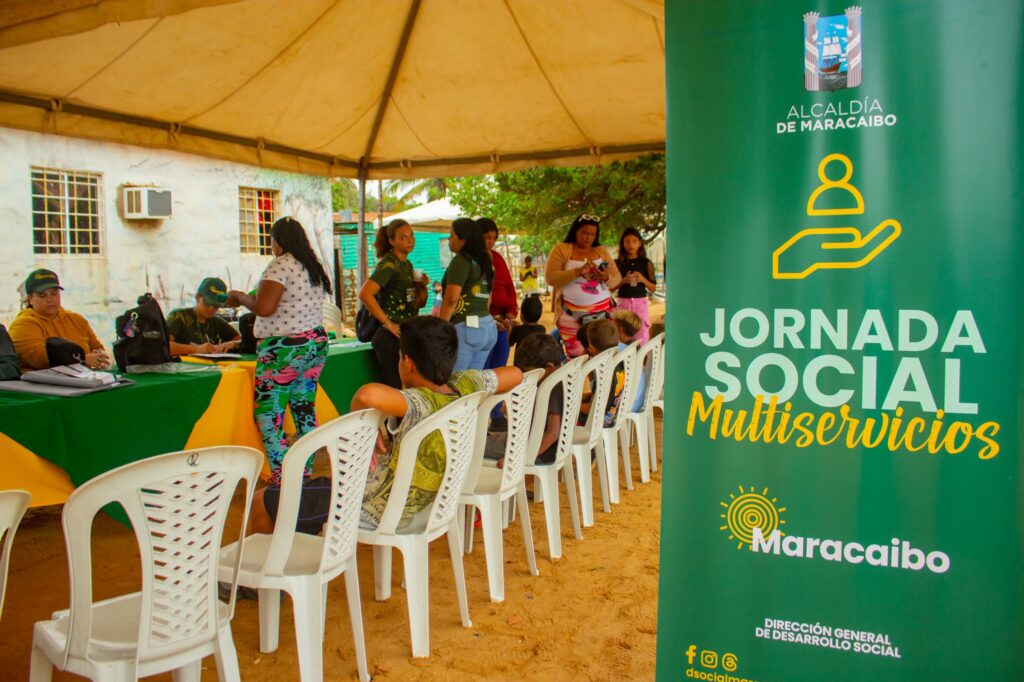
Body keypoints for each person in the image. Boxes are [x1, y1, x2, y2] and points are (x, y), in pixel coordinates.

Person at [225, 217, 332, 486]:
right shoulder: (312, 266)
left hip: (285, 349)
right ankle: (305, 472)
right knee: (303, 406)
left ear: (277, 241)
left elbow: (264, 307)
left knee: (268, 413)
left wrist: (240, 297)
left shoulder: (280, 265)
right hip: (314, 343)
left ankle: (285, 478)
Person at [544, 214, 621, 358]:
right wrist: (578, 271)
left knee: (604, 354)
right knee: (576, 357)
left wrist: (606, 277)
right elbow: (550, 278)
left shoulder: (600, 251)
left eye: (593, 234)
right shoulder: (561, 249)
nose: (589, 238)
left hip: (604, 314)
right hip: (571, 316)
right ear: (575, 231)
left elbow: (617, 279)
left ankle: (598, 374)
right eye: (585, 233)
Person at [484, 333, 566, 464]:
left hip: (532, 450)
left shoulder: (553, 386)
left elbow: (553, 432)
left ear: (549, 367)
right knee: (482, 439)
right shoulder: (563, 375)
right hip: (526, 440)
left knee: (472, 448)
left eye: (531, 372)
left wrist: (521, 458)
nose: (527, 375)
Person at [358, 219, 421, 389]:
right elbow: (365, 294)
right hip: (389, 336)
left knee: (408, 386)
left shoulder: (407, 264)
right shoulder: (389, 264)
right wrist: (387, 322)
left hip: (405, 332)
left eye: (411, 235)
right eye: (402, 237)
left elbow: (413, 301)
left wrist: (421, 286)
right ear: (391, 241)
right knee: (395, 387)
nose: (410, 240)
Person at [9, 269, 109, 370]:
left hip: (85, 377)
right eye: (42, 295)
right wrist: (82, 359)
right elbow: (40, 359)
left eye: (54, 294)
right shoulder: (22, 324)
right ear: (30, 298)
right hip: (43, 379)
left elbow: (96, 346)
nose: (50, 300)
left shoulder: (76, 319)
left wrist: (99, 355)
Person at [438, 217, 497, 371]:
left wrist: (441, 328)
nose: (449, 239)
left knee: (454, 381)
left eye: (452, 235)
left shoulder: (461, 260)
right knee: (471, 382)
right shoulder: (485, 261)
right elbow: (488, 300)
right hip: (487, 327)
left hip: (467, 330)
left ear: (463, 240)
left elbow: (451, 299)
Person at [480, 218, 518, 373]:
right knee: (484, 369)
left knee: (499, 368)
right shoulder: (471, 261)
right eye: (487, 237)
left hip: (503, 322)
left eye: (493, 238)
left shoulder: (498, 258)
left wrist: (511, 311)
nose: (490, 241)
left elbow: (509, 287)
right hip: (484, 322)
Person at [166, 277, 241, 356]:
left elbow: (238, 339)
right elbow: (164, 346)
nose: (211, 308)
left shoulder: (217, 321)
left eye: (216, 306)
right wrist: (196, 349)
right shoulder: (178, 316)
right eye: (207, 304)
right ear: (197, 297)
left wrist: (229, 344)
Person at [577, 318, 626, 428]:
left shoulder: (602, 372)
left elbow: (592, 409)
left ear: (592, 348)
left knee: (561, 411)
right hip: (613, 415)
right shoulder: (618, 361)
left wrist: (575, 406)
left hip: (599, 422)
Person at [611, 227, 656, 344]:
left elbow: (653, 288)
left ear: (640, 243)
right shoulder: (617, 263)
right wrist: (623, 281)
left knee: (642, 335)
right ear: (623, 244)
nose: (631, 245)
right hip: (623, 303)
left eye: (634, 241)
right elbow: (610, 288)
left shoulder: (646, 263)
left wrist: (642, 279)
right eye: (627, 241)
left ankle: (642, 356)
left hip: (640, 303)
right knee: (621, 335)